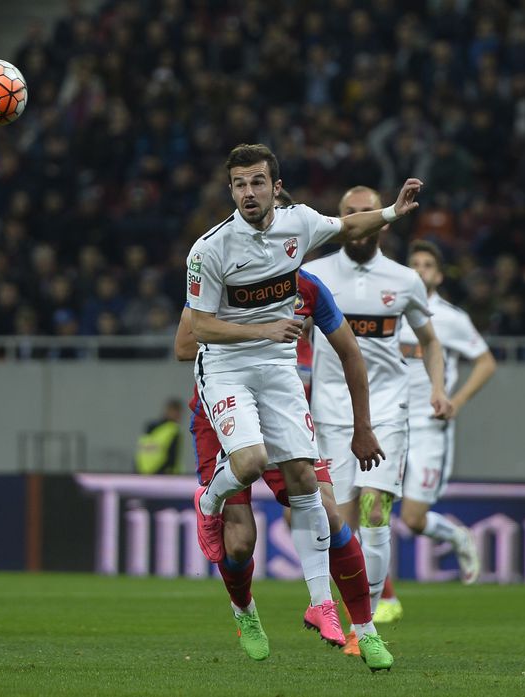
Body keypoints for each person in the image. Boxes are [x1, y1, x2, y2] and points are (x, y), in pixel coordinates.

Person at [185, 144, 418, 670]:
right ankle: (210, 504)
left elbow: (347, 227)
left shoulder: (300, 227)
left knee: (310, 489)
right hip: (225, 368)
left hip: (278, 372)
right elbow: (196, 330)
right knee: (247, 464)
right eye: (239, 184)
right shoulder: (210, 250)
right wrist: (262, 327)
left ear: (275, 186)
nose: (248, 192)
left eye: (257, 183)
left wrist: (392, 213)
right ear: (231, 191)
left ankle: (358, 626)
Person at [177, 264, 388, 664]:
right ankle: (245, 612)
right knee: (239, 542)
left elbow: (350, 353)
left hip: (282, 416)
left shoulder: (307, 291)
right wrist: (255, 333)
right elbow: (184, 346)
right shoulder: (223, 276)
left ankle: (365, 631)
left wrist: (363, 426)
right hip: (223, 415)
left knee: (329, 512)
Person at [303, 186, 454, 632]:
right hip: (330, 413)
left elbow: (430, 342)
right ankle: (345, 609)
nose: (359, 220)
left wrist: (438, 389)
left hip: (388, 409)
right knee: (339, 523)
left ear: (381, 220)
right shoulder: (316, 273)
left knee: (375, 509)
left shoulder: (404, 280)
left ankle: (361, 624)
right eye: (350, 213)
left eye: (366, 212)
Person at [375, 239, 495, 623]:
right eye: (415, 263)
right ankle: (379, 595)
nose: (421, 270)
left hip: (429, 425)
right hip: (388, 421)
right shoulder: (389, 309)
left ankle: (458, 536)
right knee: (372, 506)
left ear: (439, 275)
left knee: (412, 518)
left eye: (428, 264)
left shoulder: (451, 319)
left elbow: (486, 362)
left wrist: (456, 401)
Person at [135, 398, 184, 474]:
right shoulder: (173, 430)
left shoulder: (149, 429)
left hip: (143, 473)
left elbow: (140, 454)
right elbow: (172, 459)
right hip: (165, 476)